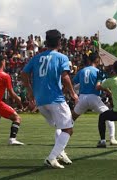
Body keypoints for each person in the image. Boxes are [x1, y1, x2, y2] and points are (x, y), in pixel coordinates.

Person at [21, 29, 78, 169]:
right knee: (68, 129)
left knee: (59, 126)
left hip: (41, 101)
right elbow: (65, 77)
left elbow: (23, 74)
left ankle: (60, 152)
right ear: (59, 42)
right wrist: (73, 93)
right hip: (55, 99)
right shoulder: (61, 57)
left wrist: (30, 92)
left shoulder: (36, 57)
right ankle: (52, 157)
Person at [72, 52, 117, 145]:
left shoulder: (82, 70)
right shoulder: (98, 72)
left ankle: (61, 136)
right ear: (97, 61)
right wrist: (110, 93)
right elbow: (103, 86)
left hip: (82, 98)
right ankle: (112, 138)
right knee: (109, 116)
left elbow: (75, 83)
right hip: (94, 97)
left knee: (71, 119)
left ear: (89, 60)